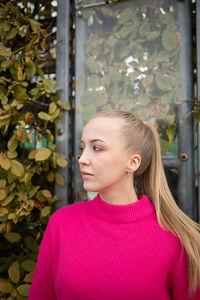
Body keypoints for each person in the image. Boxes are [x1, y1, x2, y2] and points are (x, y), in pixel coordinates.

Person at [28, 110, 200, 300]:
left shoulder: (178, 241)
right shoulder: (62, 223)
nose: (82, 159)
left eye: (97, 148)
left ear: (132, 162)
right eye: (82, 147)